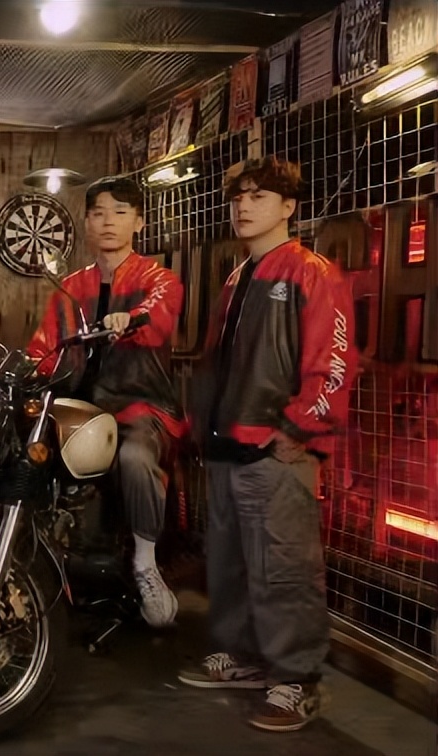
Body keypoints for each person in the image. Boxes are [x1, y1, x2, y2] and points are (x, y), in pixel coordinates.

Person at [181, 157, 356, 732]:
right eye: (238, 197)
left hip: (277, 448)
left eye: (258, 196)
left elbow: (333, 362)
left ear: (288, 207)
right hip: (227, 444)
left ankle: (296, 681)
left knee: (285, 568)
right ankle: (244, 659)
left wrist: (298, 429)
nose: (244, 206)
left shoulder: (312, 272)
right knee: (230, 565)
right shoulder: (238, 277)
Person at [26, 176, 186, 628]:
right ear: (87, 223)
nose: (108, 221)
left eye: (120, 212)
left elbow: (159, 314)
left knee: (134, 458)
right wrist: (28, 367)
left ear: (139, 222)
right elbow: (45, 346)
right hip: (80, 409)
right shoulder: (70, 286)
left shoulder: (158, 278)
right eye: (98, 213)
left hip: (140, 407)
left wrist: (130, 318)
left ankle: (146, 563)